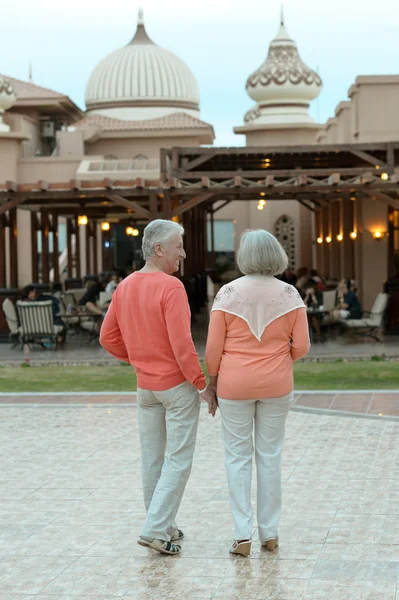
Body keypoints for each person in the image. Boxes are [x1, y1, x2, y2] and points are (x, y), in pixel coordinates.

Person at [100, 219, 217, 556]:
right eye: (178, 245)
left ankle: (163, 526)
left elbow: (107, 338)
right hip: (176, 388)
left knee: (152, 460)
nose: (183, 252)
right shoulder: (171, 287)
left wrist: (140, 359)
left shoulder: (124, 286)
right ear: (158, 248)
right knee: (178, 460)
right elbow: (182, 344)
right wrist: (201, 385)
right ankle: (154, 527)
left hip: (145, 388)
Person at [205, 229, 310, 557]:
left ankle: (241, 534)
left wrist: (212, 381)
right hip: (277, 385)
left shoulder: (227, 293)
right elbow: (303, 346)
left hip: (234, 385)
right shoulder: (291, 295)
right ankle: (270, 532)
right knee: (270, 456)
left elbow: (212, 351)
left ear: (244, 256)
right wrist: (280, 360)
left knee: (237, 457)